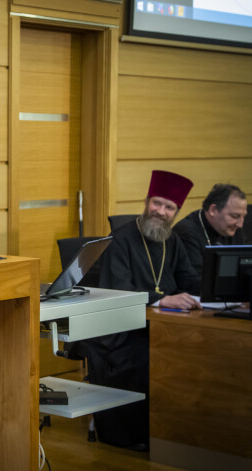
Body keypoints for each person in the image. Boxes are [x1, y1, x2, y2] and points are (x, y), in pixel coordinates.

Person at [84, 170, 201, 451]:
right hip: (121, 331)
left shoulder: (171, 240)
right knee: (151, 358)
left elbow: (189, 279)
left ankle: (182, 431)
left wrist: (216, 293)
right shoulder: (121, 239)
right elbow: (119, 290)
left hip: (160, 325)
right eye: (156, 203)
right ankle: (139, 435)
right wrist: (162, 300)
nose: (160, 211)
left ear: (176, 212)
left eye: (169, 207)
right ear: (146, 201)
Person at [173, 183, 247, 279]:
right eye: (234, 216)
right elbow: (195, 280)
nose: (240, 224)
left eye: (243, 217)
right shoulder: (186, 232)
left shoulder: (233, 228)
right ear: (213, 210)